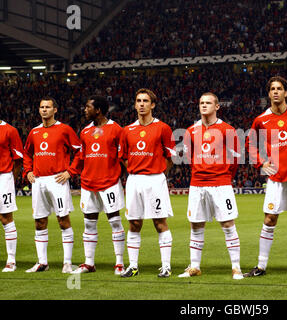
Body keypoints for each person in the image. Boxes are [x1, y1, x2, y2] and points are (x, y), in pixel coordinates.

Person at [244, 76, 287, 278]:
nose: (276, 92)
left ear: (286, 92)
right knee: (270, 218)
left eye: (279, 88)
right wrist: (261, 162)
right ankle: (261, 266)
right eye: (272, 89)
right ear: (269, 93)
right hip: (276, 177)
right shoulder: (261, 120)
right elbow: (251, 143)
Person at [178, 92, 243, 280]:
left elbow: (234, 161)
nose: (204, 105)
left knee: (228, 224)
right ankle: (195, 267)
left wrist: (222, 176)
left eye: (208, 103)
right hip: (197, 184)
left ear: (217, 107)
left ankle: (236, 268)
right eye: (201, 103)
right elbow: (190, 159)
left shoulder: (227, 130)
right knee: (196, 225)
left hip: (221, 184)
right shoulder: (190, 131)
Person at [119, 88, 176, 278]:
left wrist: (158, 172)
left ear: (152, 105)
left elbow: (171, 157)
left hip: (155, 180)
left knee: (160, 222)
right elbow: (123, 157)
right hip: (134, 180)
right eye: (138, 101)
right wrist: (135, 169)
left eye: (145, 101)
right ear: (135, 105)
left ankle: (166, 266)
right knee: (134, 223)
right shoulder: (127, 130)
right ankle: (133, 266)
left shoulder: (163, 128)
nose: (141, 104)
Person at [23, 97, 82, 273]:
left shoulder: (64, 129)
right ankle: (42, 262)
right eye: (41, 107)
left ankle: (67, 262)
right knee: (39, 221)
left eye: (48, 107)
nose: (44, 110)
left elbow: (79, 151)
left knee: (63, 220)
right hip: (39, 180)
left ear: (55, 110)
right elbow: (27, 153)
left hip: (58, 180)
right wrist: (28, 171)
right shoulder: (34, 132)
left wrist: (70, 171)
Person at [69, 96, 126, 275]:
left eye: (88, 107)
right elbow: (81, 156)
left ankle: (119, 263)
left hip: (109, 183)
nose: (85, 110)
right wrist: (71, 171)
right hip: (88, 183)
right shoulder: (85, 131)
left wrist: (120, 176)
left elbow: (123, 156)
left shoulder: (116, 129)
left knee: (115, 221)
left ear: (98, 110)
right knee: (89, 223)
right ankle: (89, 263)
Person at [0, 120, 24, 272]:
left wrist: (11, 179)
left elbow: (18, 159)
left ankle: (11, 260)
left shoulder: (10, 130)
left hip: (3, 177)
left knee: (6, 218)